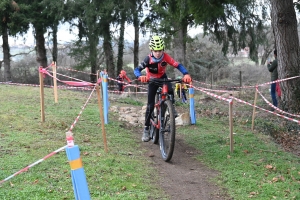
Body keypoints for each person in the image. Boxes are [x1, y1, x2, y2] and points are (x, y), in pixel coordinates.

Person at [134, 35, 192, 142]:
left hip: (162, 78)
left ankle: (171, 107)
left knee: (170, 90)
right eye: (155, 50)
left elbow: (177, 65)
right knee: (150, 106)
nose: (158, 52)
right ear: (152, 50)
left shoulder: (165, 57)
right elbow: (137, 69)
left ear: (163, 49)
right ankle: (146, 129)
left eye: (160, 50)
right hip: (152, 80)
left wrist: (186, 74)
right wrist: (139, 76)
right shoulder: (148, 59)